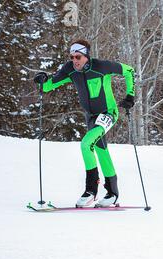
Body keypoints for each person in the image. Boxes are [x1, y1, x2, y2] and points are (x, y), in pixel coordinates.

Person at [33, 39, 135, 207]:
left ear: (86, 55)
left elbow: (129, 71)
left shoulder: (101, 66)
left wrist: (130, 96)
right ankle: (113, 192)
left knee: (86, 144)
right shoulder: (70, 70)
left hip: (108, 112)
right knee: (101, 150)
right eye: (72, 57)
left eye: (78, 57)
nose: (75, 60)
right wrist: (42, 79)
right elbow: (48, 85)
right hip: (91, 116)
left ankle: (91, 190)